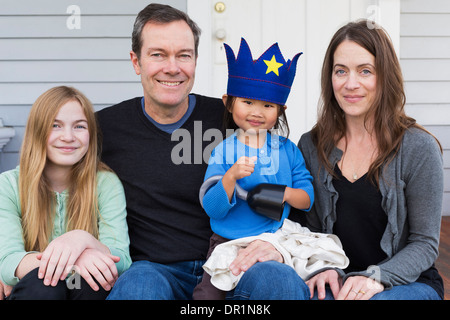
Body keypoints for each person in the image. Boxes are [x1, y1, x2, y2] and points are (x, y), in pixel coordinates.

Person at [98, 3, 307, 300]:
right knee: (138, 286)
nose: (173, 67)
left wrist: (280, 246)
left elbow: (289, 183)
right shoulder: (106, 128)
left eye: (184, 55)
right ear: (136, 61)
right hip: (157, 272)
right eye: (158, 54)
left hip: (237, 262)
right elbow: (63, 190)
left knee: (279, 280)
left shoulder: (232, 117)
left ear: (196, 60)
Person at [293, 19, 444, 300]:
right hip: (336, 283)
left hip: (403, 284)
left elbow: (424, 244)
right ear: (330, 78)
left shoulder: (418, 148)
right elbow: (309, 229)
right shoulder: (311, 146)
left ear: (385, 76)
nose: (351, 84)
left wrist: (374, 278)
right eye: (341, 71)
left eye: (365, 71)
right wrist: (321, 267)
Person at [193, 38, 314, 299]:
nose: (257, 112)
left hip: (273, 242)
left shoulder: (288, 150)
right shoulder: (224, 151)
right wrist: (230, 177)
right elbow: (213, 208)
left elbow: (306, 199)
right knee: (208, 296)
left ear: (280, 111)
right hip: (227, 241)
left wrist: (285, 194)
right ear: (229, 102)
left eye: (268, 105)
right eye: (247, 102)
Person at [0, 86, 131, 300]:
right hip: (33, 289)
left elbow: (121, 259)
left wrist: (81, 239)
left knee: (93, 281)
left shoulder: (105, 183)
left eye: (79, 126)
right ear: (37, 131)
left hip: (81, 285)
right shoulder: (8, 185)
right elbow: (8, 263)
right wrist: (76, 259)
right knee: (44, 285)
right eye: (55, 125)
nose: (68, 137)